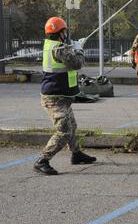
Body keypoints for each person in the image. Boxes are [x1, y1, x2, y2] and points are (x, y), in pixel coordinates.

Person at [34, 17, 96, 175]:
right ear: (60, 33)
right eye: (65, 31)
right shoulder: (59, 48)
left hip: (61, 97)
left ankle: (76, 154)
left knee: (72, 126)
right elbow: (77, 63)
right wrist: (79, 49)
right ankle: (42, 160)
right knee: (64, 132)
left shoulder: (54, 45)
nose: (66, 34)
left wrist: (73, 47)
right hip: (54, 99)